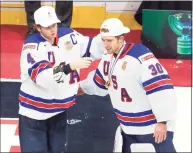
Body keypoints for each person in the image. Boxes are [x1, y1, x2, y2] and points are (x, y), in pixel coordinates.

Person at [80, 18, 177, 152]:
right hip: (128, 128)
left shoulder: (140, 56)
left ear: (121, 39)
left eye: (109, 40)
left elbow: (161, 88)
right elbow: (97, 84)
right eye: (103, 40)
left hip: (153, 128)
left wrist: (162, 122)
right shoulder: (107, 59)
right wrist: (75, 89)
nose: (105, 45)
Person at [18, 5, 104, 152]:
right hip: (34, 114)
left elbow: (93, 48)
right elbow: (43, 78)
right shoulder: (31, 48)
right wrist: (68, 67)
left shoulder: (68, 35)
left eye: (54, 25)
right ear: (38, 27)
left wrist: (105, 37)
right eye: (48, 27)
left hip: (58, 110)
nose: (53, 30)